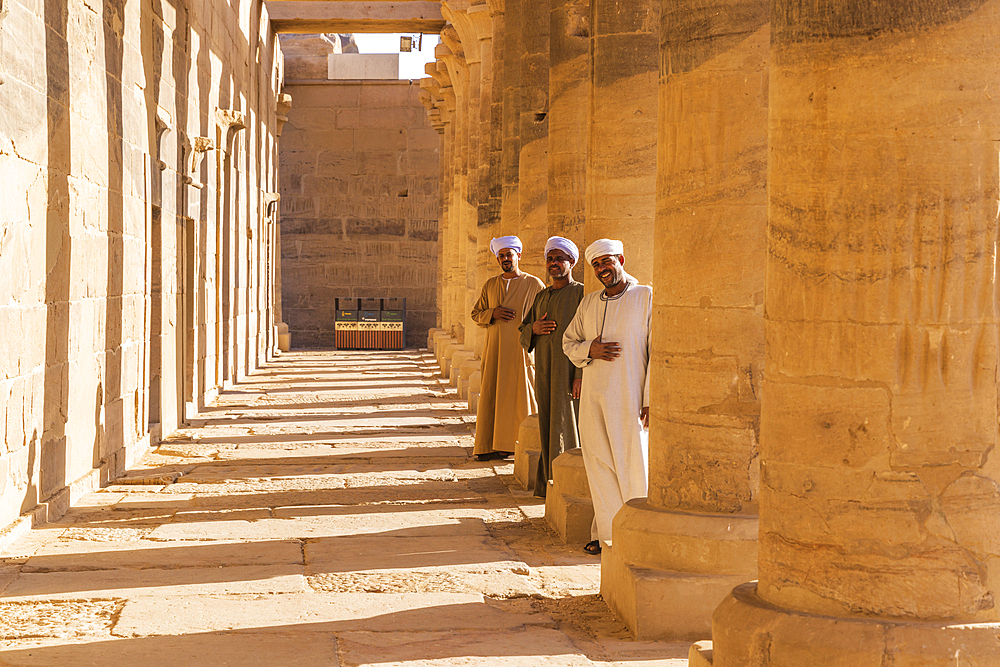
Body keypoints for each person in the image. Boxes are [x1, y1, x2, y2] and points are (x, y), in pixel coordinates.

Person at [562, 239, 652, 555]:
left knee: (632, 464)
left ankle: (638, 533)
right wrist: (591, 349)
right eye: (597, 264)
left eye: (607, 262)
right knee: (599, 463)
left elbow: (658, 351)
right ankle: (606, 534)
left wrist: (650, 397)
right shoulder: (588, 303)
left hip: (630, 398)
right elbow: (568, 342)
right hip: (593, 398)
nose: (602, 269)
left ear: (621, 259)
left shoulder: (646, 297)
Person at [519, 237, 585, 497]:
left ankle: (565, 483)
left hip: (569, 372)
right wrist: (533, 329)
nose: (554, 263)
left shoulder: (581, 294)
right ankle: (547, 483)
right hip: (545, 372)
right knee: (548, 423)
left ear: (571, 262)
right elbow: (524, 330)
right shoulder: (542, 296)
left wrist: (579, 375)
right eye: (550, 259)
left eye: (560, 259)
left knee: (567, 423)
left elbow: (589, 334)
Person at [470, 236, 545, 461]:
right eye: (501, 255)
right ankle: (491, 445)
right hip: (494, 351)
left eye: (509, 255)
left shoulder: (534, 284)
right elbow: (476, 314)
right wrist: (492, 313)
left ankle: (519, 444)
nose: (505, 259)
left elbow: (542, 317)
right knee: (494, 396)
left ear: (518, 256)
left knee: (521, 396)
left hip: (521, 352)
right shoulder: (491, 285)